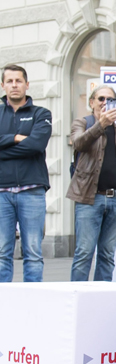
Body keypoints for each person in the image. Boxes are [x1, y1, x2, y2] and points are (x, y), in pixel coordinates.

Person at [67, 85, 116, 281]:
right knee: (84, 253)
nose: (104, 103)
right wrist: (100, 124)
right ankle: (78, 297)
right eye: (100, 98)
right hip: (89, 199)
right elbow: (78, 144)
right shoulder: (82, 123)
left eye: (109, 100)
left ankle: (101, 299)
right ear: (91, 102)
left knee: (107, 256)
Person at [0, 64, 51, 282]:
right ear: (3, 85)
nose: (14, 85)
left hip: (32, 190)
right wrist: (16, 137)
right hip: (2, 192)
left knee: (33, 253)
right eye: (9, 81)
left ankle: (34, 303)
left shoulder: (41, 113)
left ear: (27, 85)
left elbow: (36, 146)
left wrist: (4, 146)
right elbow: (27, 145)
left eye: (18, 81)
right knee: (2, 254)